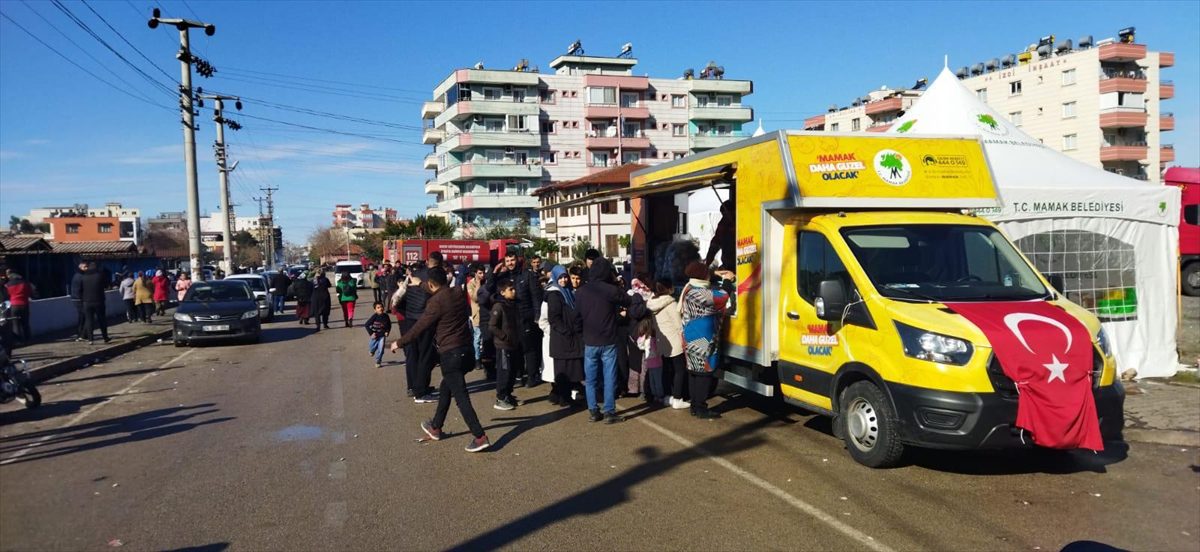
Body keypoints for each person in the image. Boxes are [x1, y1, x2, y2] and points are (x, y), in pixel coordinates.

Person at [390, 268, 491, 453]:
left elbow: (419, 327)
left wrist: (399, 342)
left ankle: (480, 436)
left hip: (450, 354)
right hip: (466, 352)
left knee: (461, 398)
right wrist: (418, 283)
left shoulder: (435, 303)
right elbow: (437, 290)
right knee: (447, 387)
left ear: (431, 284)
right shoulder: (458, 292)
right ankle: (436, 426)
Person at [575, 257, 642, 424]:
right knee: (609, 376)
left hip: (590, 340)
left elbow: (576, 317)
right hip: (609, 340)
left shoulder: (582, 291)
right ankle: (609, 412)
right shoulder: (611, 290)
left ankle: (593, 411)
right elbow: (629, 299)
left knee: (590, 379)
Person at [680, 261, 734, 420]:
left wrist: (717, 273)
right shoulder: (700, 293)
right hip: (702, 338)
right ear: (702, 275)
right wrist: (728, 280)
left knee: (693, 373)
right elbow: (722, 296)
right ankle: (701, 408)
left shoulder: (689, 288)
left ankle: (695, 406)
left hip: (690, 336)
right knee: (704, 373)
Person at [545, 265, 584, 407]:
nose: (563, 280)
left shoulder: (567, 292)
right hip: (562, 340)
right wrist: (567, 331)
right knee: (563, 371)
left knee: (570, 370)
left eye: (565, 277)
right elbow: (554, 318)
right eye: (560, 277)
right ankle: (563, 398)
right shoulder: (554, 294)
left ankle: (566, 397)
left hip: (570, 340)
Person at [648, 280, 688, 410]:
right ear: (668, 288)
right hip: (674, 342)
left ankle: (667, 396)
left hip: (662, 343)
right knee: (679, 370)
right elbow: (679, 326)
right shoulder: (671, 304)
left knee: (666, 370)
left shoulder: (652, 304)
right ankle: (677, 398)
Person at [399, 264, 436, 402]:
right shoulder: (429, 278)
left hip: (409, 319)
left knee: (412, 354)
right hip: (423, 321)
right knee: (425, 356)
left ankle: (412, 387)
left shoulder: (409, 279)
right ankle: (421, 390)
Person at [488, 279, 522, 411]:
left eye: (514, 289)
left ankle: (508, 394)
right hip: (504, 345)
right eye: (510, 289)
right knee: (504, 371)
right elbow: (492, 326)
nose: (514, 291)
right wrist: (504, 336)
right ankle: (501, 397)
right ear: (502, 292)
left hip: (514, 344)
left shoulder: (514, 304)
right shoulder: (499, 306)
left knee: (513, 371)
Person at [79, 262, 111, 344]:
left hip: (87, 302)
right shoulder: (100, 275)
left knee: (89, 320)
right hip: (99, 301)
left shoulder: (83, 277)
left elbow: (80, 290)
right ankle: (105, 337)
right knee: (102, 320)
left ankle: (90, 339)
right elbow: (106, 285)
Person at [704, 199, 736, 270]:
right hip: (728, 264)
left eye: (727, 214)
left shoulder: (742, 223)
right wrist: (706, 265)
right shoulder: (723, 224)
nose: (725, 217)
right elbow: (715, 243)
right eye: (723, 215)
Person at [5, 271, 35, 345]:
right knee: (25, 323)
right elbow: (30, 291)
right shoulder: (25, 283)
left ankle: (19, 341)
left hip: (14, 305)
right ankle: (28, 340)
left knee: (15, 324)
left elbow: (6, 295)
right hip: (24, 304)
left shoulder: (8, 285)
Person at [465, 264, 485, 361]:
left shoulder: (486, 282)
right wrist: (478, 285)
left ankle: (486, 357)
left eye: (483, 273)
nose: (482, 275)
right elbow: (475, 298)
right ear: (476, 274)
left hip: (486, 314)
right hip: (477, 314)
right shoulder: (470, 284)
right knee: (477, 337)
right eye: (480, 273)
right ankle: (477, 358)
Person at [364, 301, 391, 368]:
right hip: (375, 335)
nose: (380, 309)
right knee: (372, 346)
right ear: (375, 310)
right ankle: (372, 351)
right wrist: (371, 334)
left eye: (381, 307)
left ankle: (378, 361)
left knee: (381, 349)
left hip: (382, 335)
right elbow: (366, 325)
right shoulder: (374, 316)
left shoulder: (386, 316)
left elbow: (389, 325)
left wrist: (387, 331)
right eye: (378, 308)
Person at [70, 262, 87, 341]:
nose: (86, 268)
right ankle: (82, 335)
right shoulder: (81, 276)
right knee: (84, 317)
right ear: (81, 268)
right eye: (85, 267)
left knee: (82, 317)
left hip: (76, 298)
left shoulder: (76, 275)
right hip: (79, 299)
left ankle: (81, 334)